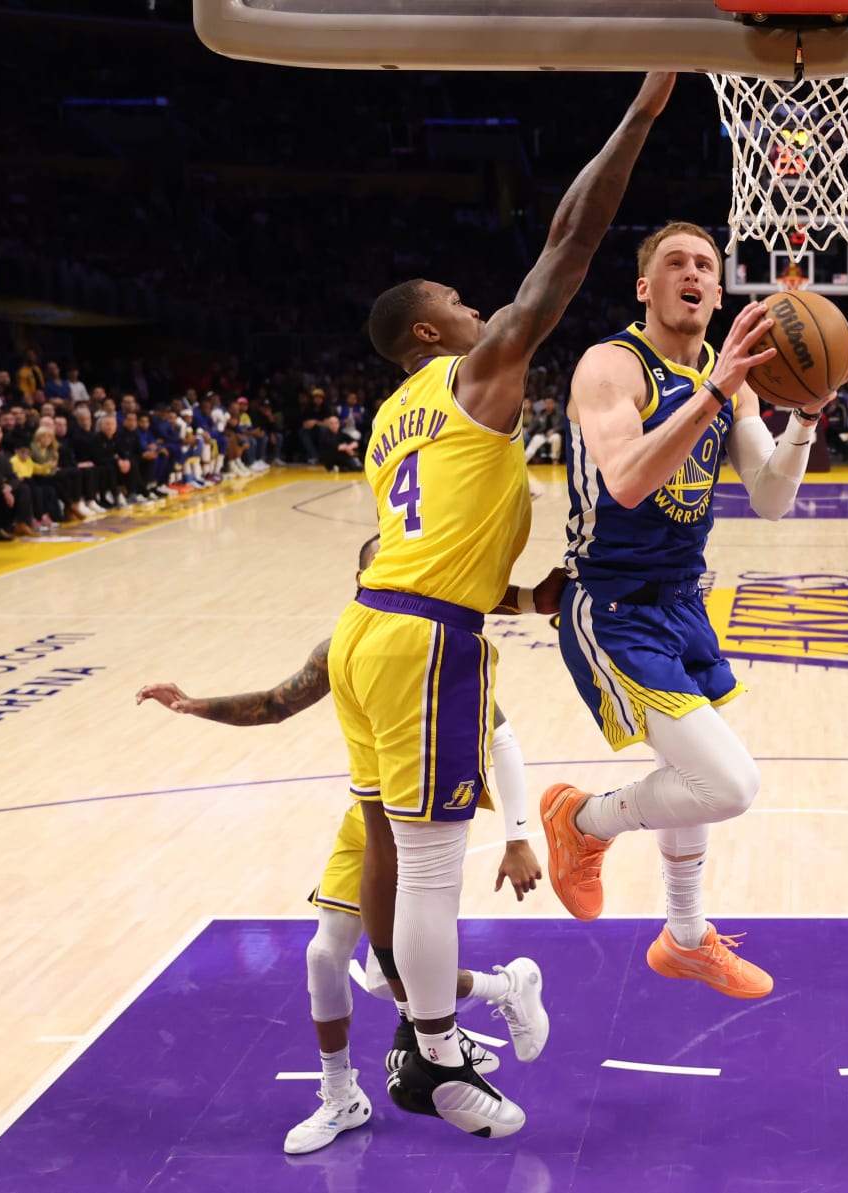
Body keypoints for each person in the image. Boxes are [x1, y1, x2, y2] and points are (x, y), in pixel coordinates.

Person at [333, 71, 674, 1140]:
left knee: (406, 861)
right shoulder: (472, 375)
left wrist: (528, 589)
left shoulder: (391, 420)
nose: (485, 314)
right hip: (429, 642)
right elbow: (569, 246)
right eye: (463, 309)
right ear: (434, 336)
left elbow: (412, 546)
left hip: (369, 633)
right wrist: (645, 111)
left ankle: (432, 1033)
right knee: (434, 868)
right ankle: (436, 1055)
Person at [135, 533, 554, 1155]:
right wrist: (196, 705)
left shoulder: (434, 651)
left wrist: (517, 838)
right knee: (325, 958)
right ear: (362, 583)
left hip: (424, 819)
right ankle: (343, 1096)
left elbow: (504, 738)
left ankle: (492, 1001)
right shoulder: (346, 646)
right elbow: (276, 704)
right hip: (369, 821)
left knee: (395, 982)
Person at [542, 219, 844, 1002]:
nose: (693, 273)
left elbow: (771, 497)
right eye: (674, 262)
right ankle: (583, 820)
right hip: (610, 606)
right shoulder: (611, 366)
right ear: (645, 287)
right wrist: (715, 392)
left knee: (695, 771)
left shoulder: (732, 376)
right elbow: (627, 483)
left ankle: (683, 939)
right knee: (729, 782)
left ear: (718, 289)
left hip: (682, 604)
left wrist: (804, 418)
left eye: (705, 265)